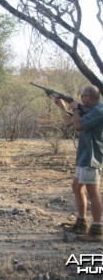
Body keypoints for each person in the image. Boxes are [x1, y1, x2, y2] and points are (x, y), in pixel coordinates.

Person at [52, 85, 103, 242]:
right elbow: (69, 122)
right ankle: (81, 223)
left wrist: (75, 109)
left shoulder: (99, 111)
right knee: (76, 187)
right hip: (84, 156)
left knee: (92, 192)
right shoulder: (87, 109)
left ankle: (97, 230)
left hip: (92, 156)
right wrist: (62, 106)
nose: (81, 98)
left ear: (91, 97)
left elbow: (78, 126)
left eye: (83, 96)